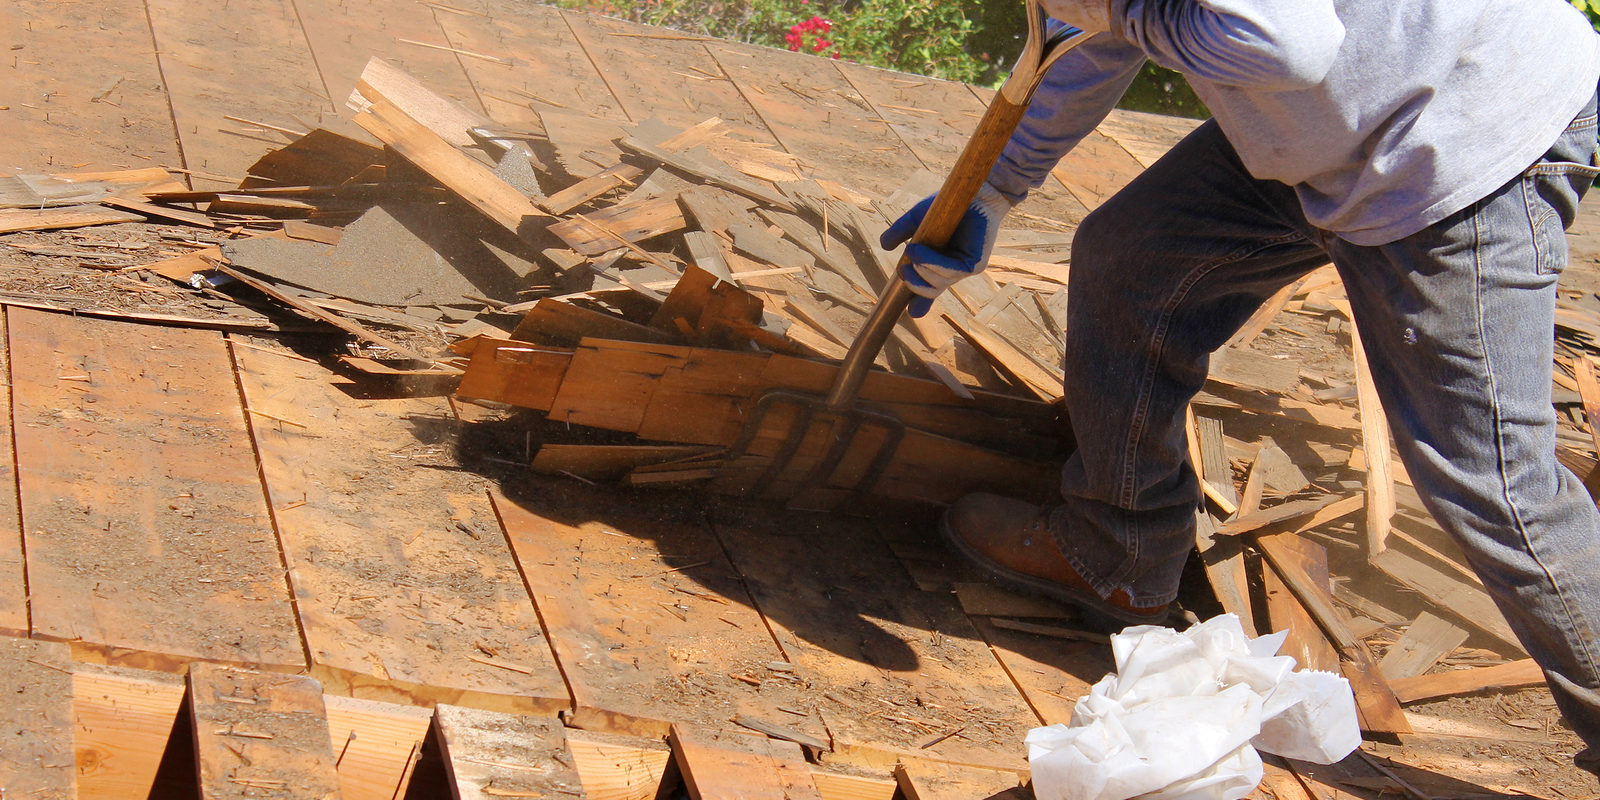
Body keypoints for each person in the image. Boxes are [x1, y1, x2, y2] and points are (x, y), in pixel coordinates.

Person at [881, 0, 1600, 775]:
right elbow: (1087, 36)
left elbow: (1282, 45)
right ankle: (1118, 555)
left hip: (1462, 125)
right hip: (1340, 116)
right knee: (1135, 262)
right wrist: (996, 188)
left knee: (1494, 481)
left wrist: (1120, 13)